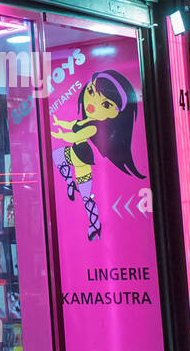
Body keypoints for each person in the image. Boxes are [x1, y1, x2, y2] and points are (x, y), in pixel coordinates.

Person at [51, 69, 144, 241]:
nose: (93, 103)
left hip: (82, 158)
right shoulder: (84, 120)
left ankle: (95, 224)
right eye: (91, 91)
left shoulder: (94, 126)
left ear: (115, 113)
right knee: (58, 156)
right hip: (76, 154)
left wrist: (58, 135)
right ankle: (70, 184)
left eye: (106, 104)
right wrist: (58, 123)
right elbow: (72, 125)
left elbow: (75, 136)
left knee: (86, 197)